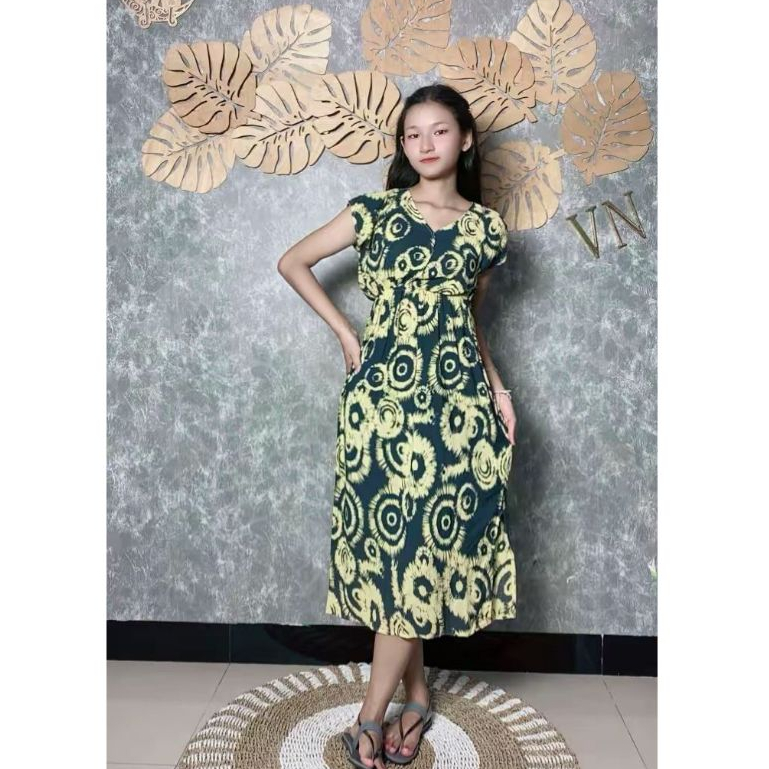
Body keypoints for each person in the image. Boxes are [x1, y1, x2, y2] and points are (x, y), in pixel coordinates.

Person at [277, 83, 518, 769]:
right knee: (399, 557)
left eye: (439, 131)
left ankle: (406, 701)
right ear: (402, 145)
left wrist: (499, 389)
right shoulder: (374, 212)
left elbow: (469, 323)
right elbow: (292, 262)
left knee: (425, 554)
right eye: (412, 133)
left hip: (458, 411)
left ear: (465, 139)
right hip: (382, 409)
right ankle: (379, 712)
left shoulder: (486, 229)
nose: (424, 144)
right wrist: (345, 334)